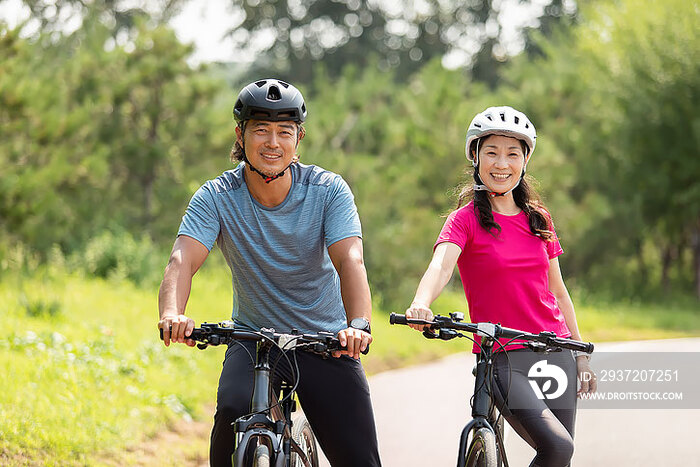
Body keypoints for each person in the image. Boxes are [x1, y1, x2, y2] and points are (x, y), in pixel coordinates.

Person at [157, 78, 381, 467]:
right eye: (260, 130)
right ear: (241, 136)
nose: (272, 142)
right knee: (230, 413)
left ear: (299, 139)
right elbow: (182, 260)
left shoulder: (328, 190)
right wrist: (172, 313)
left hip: (324, 340)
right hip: (253, 339)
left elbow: (351, 261)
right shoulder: (216, 196)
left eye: (284, 132)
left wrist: (358, 324)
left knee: (358, 458)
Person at [405, 106, 596, 467]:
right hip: (503, 356)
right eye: (491, 152)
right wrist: (421, 302)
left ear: (525, 161)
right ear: (476, 157)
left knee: (559, 458)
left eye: (512, 153)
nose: (501, 163)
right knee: (558, 447)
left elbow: (558, 291)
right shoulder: (465, 221)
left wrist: (581, 354)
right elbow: (441, 264)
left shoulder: (539, 218)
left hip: (555, 351)